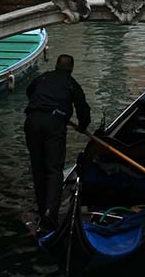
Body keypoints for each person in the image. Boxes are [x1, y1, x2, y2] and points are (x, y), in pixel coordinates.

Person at [24, 53, 91, 232]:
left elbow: (29, 91)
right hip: (53, 124)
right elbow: (83, 108)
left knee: (38, 167)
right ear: (71, 68)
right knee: (54, 170)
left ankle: (42, 208)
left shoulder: (43, 77)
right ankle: (49, 213)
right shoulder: (71, 84)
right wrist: (83, 126)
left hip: (32, 120)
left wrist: (41, 104)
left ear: (56, 65)